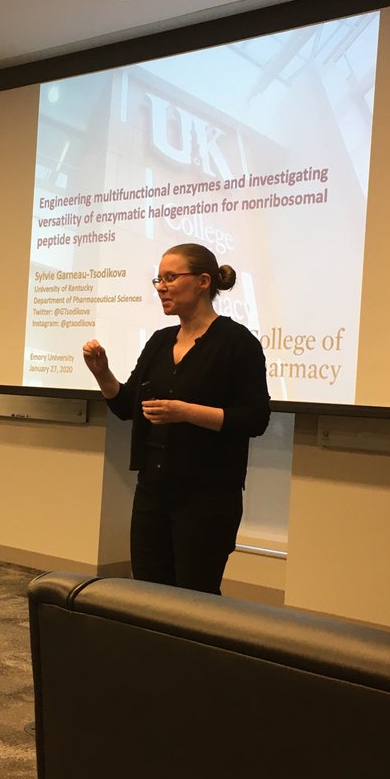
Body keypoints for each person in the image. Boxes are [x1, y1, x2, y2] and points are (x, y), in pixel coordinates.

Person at [83, 242, 270, 595]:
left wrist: (185, 412)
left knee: (194, 599)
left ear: (203, 281)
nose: (161, 287)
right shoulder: (159, 341)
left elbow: (255, 418)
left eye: (170, 277)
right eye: (158, 279)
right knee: (149, 596)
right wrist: (102, 373)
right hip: (152, 491)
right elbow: (126, 407)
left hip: (208, 496)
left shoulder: (237, 343)